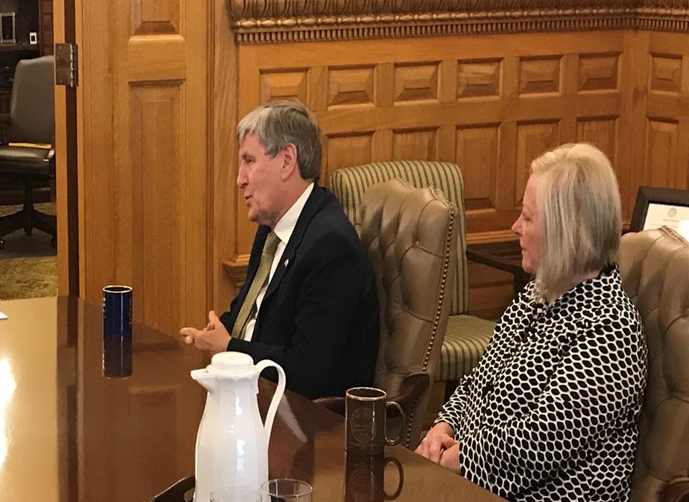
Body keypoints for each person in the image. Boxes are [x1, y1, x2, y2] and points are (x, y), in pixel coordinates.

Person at [416, 143, 647, 502]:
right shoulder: (536, 295)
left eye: (527, 217)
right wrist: (441, 427)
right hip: (467, 485)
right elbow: (479, 382)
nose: (515, 227)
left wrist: (456, 458)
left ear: (565, 231)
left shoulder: (611, 328)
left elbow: (543, 439)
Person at [180, 100, 378, 399]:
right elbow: (250, 313)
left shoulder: (330, 247)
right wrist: (216, 332)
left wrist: (229, 348)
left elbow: (309, 372)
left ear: (287, 160)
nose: (239, 179)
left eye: (249, 161)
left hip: (305, 423)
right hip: (254, 396)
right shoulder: (273, 229)